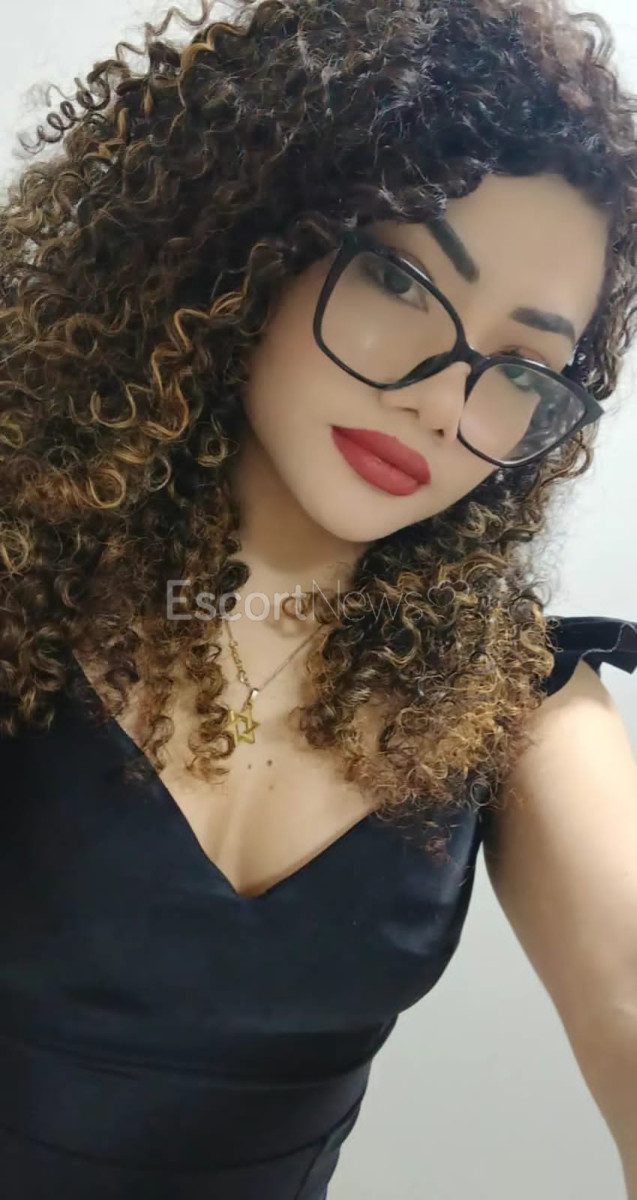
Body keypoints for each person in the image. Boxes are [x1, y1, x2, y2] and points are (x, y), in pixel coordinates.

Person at [1, 0, 637, 1196]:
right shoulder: (20, 571)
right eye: (399, 277)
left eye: (521, 367)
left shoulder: (508, 697)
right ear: (253, 237)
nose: (441, 401)